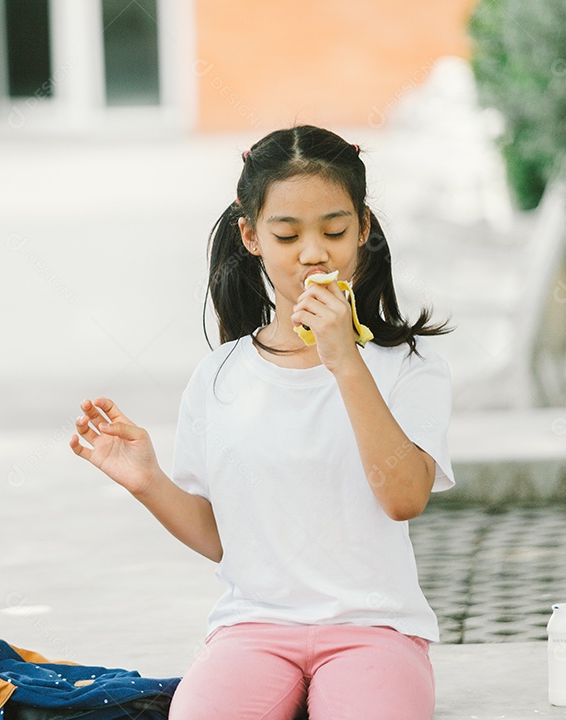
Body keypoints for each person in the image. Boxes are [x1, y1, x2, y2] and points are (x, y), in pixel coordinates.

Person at [68, 125, 455, 720]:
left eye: (334, 231)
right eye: (287, 234)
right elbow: (226, 538)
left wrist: (345, 360)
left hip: (374, 628)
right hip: (254, 629)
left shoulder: (408, 366)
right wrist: (147, 481)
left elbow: (404, 497)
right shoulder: (219, 375)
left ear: (363, 229)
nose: (313, 253)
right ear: (251, 236)